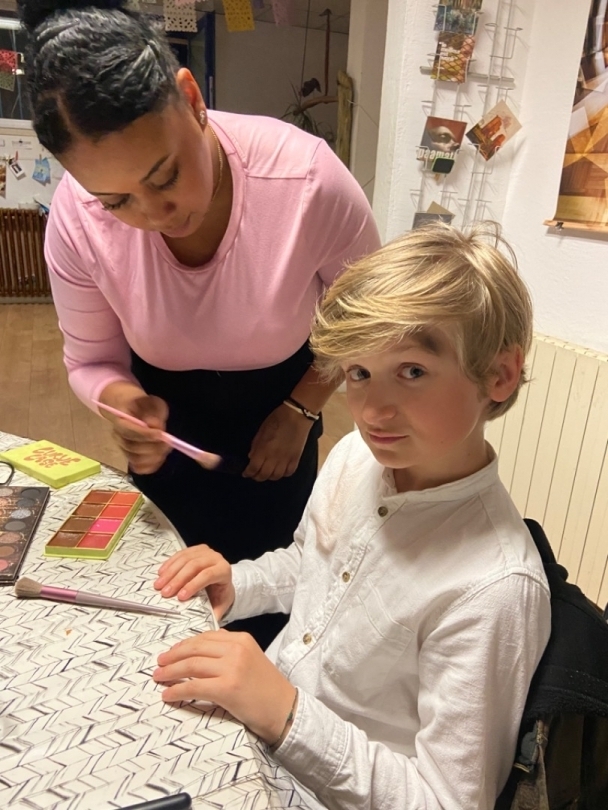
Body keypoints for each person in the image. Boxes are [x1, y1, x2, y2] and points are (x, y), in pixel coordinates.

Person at [151, 222, 552, 810]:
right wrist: (240, 584)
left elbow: (449, 801)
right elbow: (313, 563)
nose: (373, 410)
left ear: (499, 375)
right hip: (255, 737)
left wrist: (285, 713)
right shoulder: (354, 457)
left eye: (412, 371)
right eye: (359, 373)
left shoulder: (494, 589)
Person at [17, 0, 380, 647]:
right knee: (164, 608)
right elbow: (91, 361)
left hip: (282, 415)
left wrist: (301, 410)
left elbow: (368, 319)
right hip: (169, 432)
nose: (154, 214)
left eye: (166, 176)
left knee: (271, 609)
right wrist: (124, 403)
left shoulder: (305, 180)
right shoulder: (76, 216)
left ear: (191, 100)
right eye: (117, 201)